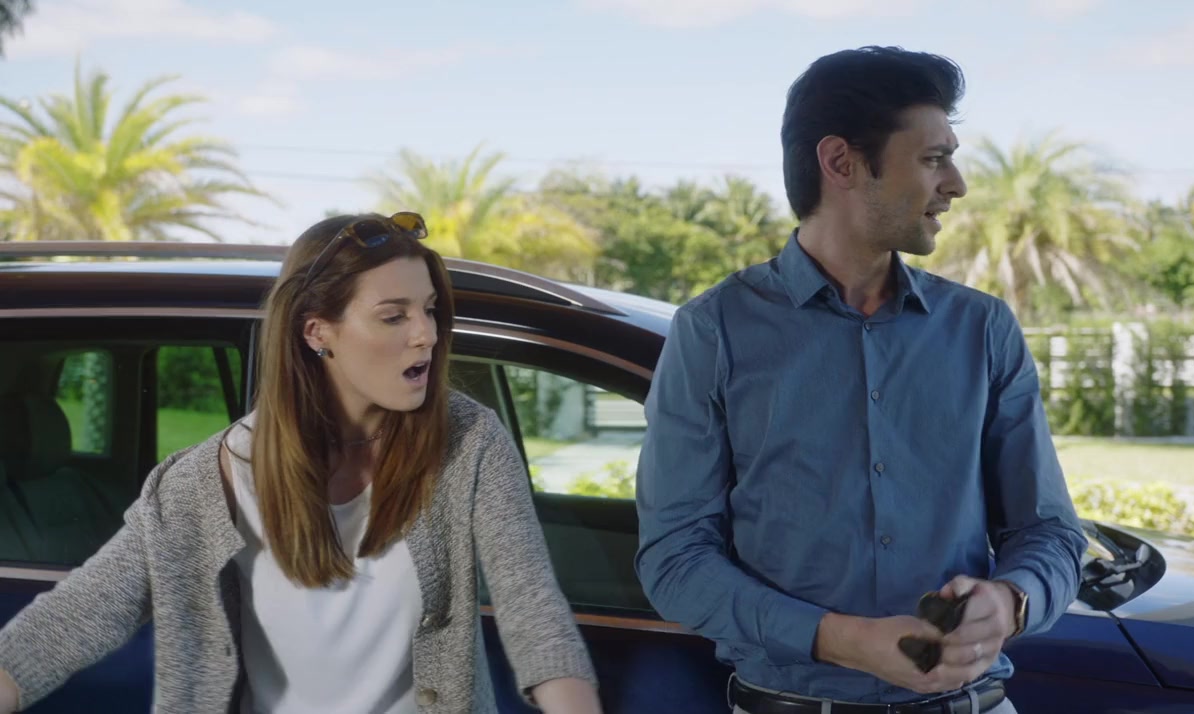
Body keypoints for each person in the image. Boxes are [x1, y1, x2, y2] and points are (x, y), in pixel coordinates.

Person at [0, 212, 601, 714]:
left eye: (430, 309)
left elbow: (536, 618)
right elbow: (75, 618)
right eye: (394, 316)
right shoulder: (207, 482)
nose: (427, 334)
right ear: (318, 333)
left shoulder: (469, 443)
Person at [635, 46, 1087, 714]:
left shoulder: (984, 329)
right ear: (841, 162)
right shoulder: (713, 332)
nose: (957, 183)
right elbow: (675, 560)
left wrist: (1011, 600)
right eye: (934, 158)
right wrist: (841, 641)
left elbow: (1051, 533)